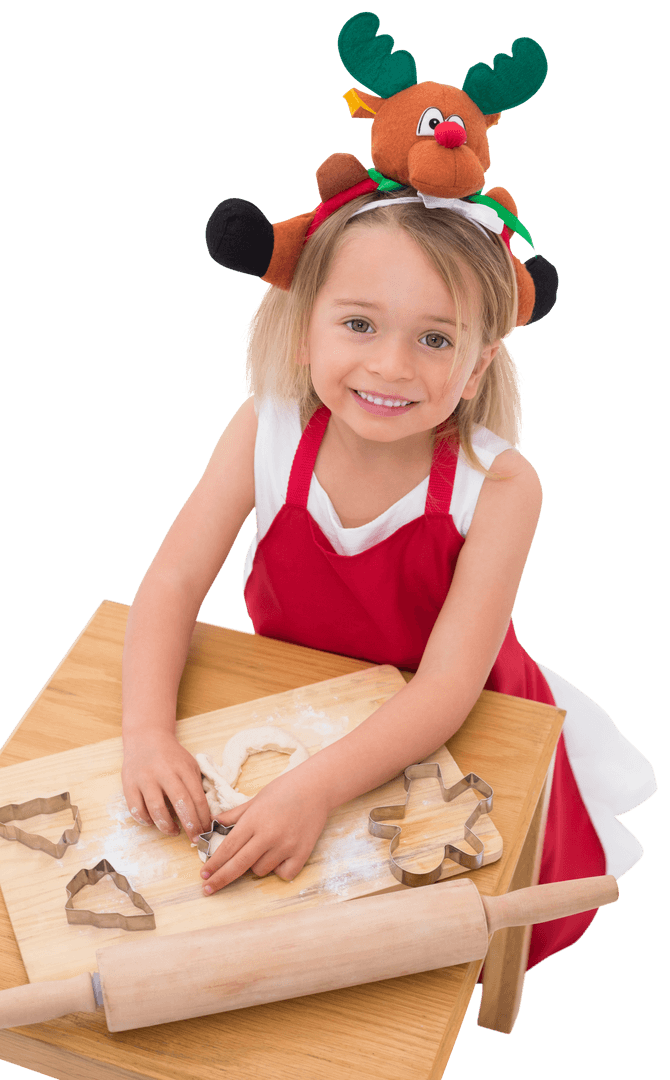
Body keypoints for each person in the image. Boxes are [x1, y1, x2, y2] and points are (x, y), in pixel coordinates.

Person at [121, 188, 656, 970]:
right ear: (306, 327)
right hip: (309, 696)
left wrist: (313, 790)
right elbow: (170, 583)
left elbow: (443, 690)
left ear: (477, 367)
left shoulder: (502, 487)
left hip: (458, 716)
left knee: (439, 928)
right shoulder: (265, 427)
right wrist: (146, 732)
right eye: (360, 324)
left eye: (435, 339)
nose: (391, 366)